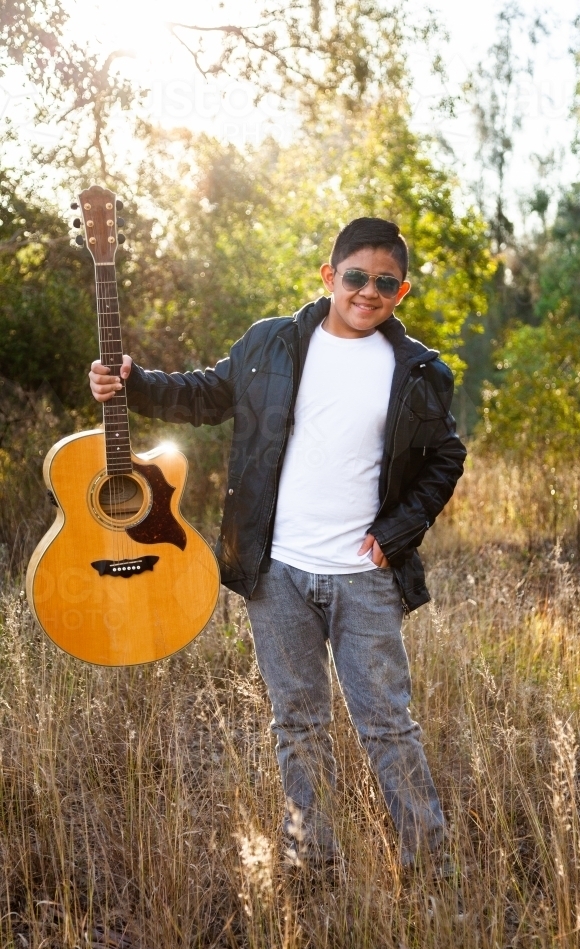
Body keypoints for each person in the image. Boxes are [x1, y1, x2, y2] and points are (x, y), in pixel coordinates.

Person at [89, 217, 466, 873]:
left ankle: (430, 861)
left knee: (386, 726)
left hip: (365, 577)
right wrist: (133, 380)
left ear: (400, 292)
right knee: (297, 724)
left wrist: (397, 533)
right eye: (355, 277)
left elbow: (445, 458)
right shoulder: (272, 343)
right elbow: (206, 394)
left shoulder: (418, 371)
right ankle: (311, 859)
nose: (367, 292)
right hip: (277, 573)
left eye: (384, 282)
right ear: (329, 277)